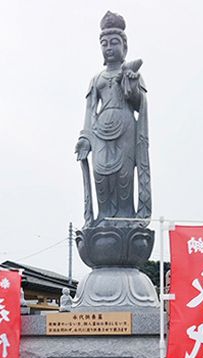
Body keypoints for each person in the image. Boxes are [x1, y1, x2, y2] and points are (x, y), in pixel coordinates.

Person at [75, 11, 151, 226]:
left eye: (114, 43)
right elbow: (89, 110)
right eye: (104, 44)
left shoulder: (132, 73)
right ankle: (103, 219)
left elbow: (139, 104)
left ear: (124, 47)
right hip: (100, 132)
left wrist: (132, 84)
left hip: (125, 127)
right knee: (101, 176)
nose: (109, 48)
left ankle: (126, 219)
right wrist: (85, 138)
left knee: (123, 176)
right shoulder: (96, 79)